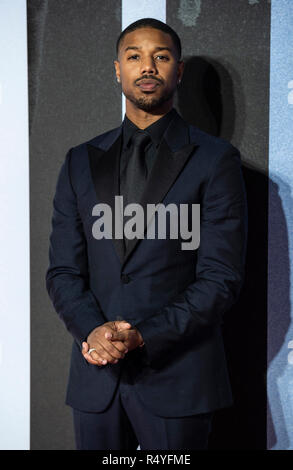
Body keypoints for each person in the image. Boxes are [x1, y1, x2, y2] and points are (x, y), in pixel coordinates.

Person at [46, 18, 248, 450]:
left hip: (178, 378)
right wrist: (93, 332)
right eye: (134, 56)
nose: (148, 66)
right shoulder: (79, 160)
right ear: (117, 69)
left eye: (161, 56)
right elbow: (63, 270)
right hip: (95, 379)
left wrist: (145, 335)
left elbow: (220, 277)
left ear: (178, 70)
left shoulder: (214, 161)